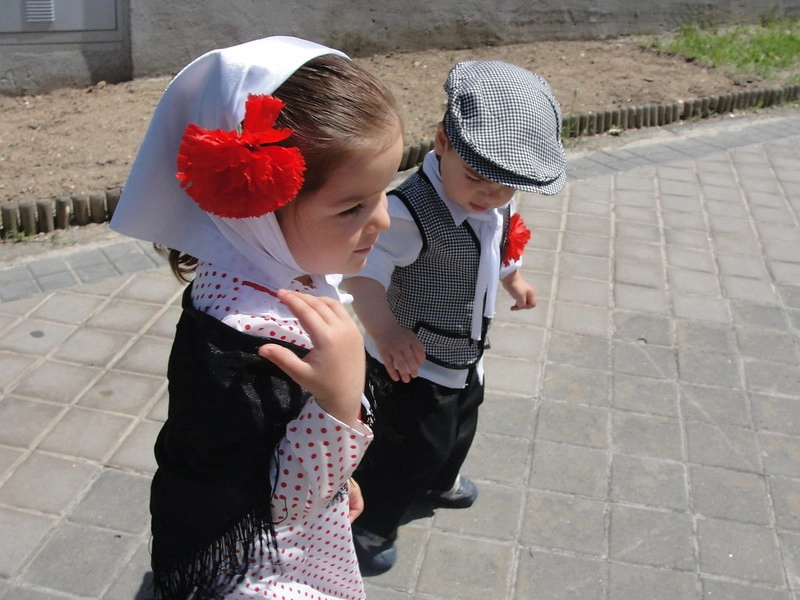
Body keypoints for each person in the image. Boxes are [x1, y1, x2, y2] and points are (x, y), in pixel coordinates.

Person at [109, 36, 403, 599]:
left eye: (384, 192)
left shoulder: (254, 266)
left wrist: (338, 480)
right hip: (267, 568)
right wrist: (341, 405)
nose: (383, 220)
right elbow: (281, 498)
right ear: (259, 204)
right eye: (353, 207)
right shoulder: (252, 335)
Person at [343, 60, 567, 574]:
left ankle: (440, 479)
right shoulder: (406, 212)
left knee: (462, 423)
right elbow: (361, 273)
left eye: (505, 187)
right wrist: (385, 329)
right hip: (413, 359)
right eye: (476, 179)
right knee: (407, 445)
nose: (489, 196)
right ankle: (373, 518)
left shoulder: (493, 198)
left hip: (467, 351)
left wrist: (513, 277)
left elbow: (500, 240)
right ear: (442, 141)